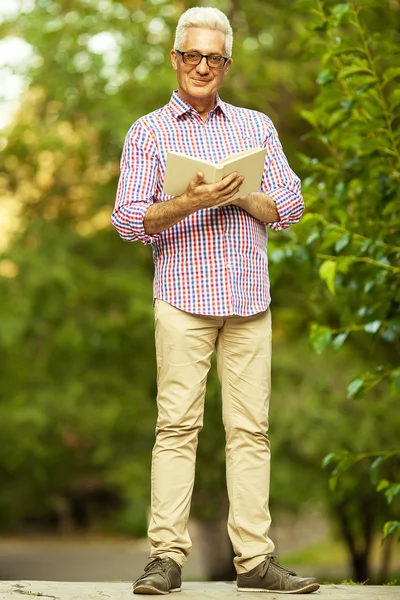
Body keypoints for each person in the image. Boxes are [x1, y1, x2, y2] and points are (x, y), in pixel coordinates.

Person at [112, 6, 319, 596]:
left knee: (251, 431)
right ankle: (165, 559)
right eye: (193, 56)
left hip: (249, 300)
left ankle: (254, 561)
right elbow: (128, 219)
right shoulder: (148, 131)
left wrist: (246, 197)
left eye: (215, 58)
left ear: (227, 63)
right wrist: (192, 201)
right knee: (176, 426)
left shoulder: (256, 126)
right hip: (182, 298)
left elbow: (292, 206)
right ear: (175, 59)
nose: (203, 67)